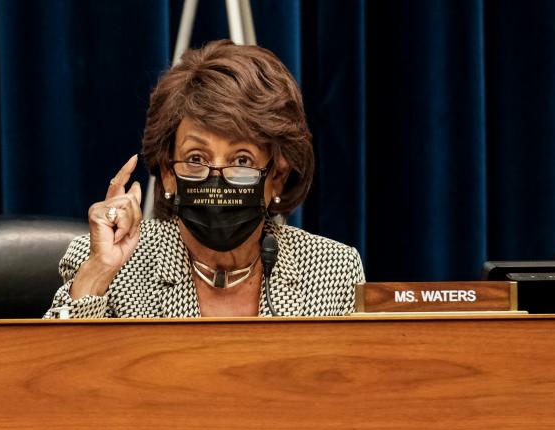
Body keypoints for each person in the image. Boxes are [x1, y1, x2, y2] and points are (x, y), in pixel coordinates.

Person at [44, 40, 364, 318]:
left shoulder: (332, 271)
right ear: (168, 173)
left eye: (242, 160)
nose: (217, 179)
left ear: (277, 177)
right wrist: (99, 270)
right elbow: (54, 364)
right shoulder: (108, 264)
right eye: (196, 159)